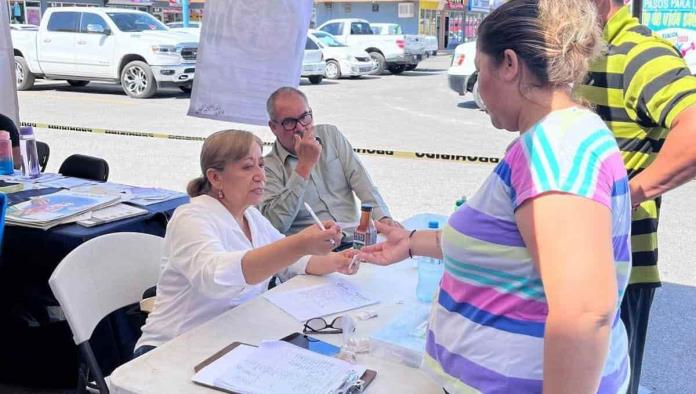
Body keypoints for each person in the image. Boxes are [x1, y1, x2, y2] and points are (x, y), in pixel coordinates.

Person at [359, 0, 632, 392]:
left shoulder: (555, 149)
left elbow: (584, 312)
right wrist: (413, 243)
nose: (479, 89)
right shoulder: (557, 139)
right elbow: (505, 244)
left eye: (479, 71)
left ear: (508, 64)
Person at [134, 130, 358, 357]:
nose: (260, 175)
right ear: (215, 177)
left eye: (261, 165)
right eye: (247, 167)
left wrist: (339, 260)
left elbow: (292, 262)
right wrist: (299, 244)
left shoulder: (251, 217)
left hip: (233, 338)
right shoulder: (191, 218)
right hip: (173, 349)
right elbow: (216, 278)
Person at [577, 2, 696, 392]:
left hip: (620, 270)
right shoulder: (578, 53)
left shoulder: (637, 52)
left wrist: (627, 196)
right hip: (571, 263)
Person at [260, 87, 400, 240]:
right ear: (273, 127)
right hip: (315, 251)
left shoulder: (330, 136)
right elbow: (275, 225)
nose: (300, 127)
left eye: (305, 117)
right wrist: (303, 168)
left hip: (354, 238)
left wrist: (383, 217)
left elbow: (361, 180)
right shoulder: (268, 167)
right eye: (289, 122)